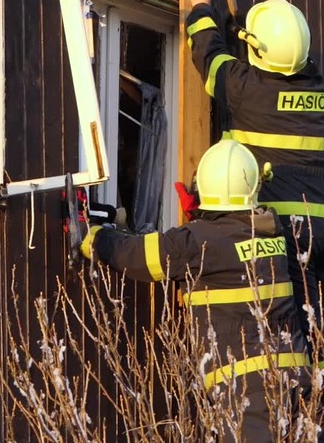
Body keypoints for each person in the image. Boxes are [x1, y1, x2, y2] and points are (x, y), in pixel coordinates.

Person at [186, 0, 324, 442]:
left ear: (257, 58)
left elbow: (211, 59)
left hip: (288, 234)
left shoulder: (244, 90)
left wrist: (202, 7)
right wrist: (249, 30)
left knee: (291, 338)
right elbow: (274, 67)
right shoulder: (319, 87)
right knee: (323, 340)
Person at [80, 139, 311, 441]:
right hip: (295, 380)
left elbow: (140, 256)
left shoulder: (200, 241)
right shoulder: (272, 232)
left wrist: (94, 237)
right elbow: (228, 251)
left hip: (250, 388)